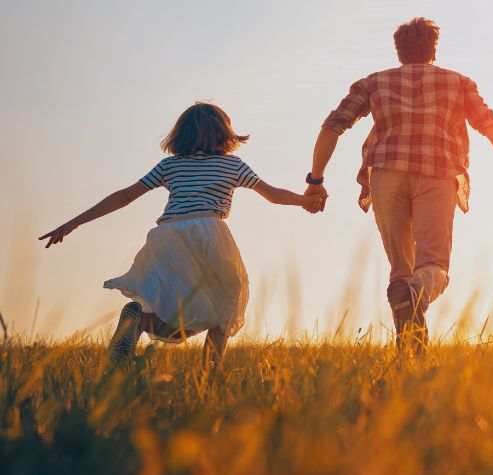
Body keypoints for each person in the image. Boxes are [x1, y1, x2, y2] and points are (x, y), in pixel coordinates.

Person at [304, 17, 493, 353]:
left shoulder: (373, 83)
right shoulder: (458, 83)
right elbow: (491, 126)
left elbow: (332, 127)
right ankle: (413, 312)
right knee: (433, 266)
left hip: (386, 175)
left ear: (399, 51)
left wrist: (316, 180)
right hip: (436, 172)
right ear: (433, 50)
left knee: (402, 268)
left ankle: (410, 353)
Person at [38, 102, 321, 368]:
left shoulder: (170, 166)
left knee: (174, 305)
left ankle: (137, 322)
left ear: (180, 136)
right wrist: (305, 200)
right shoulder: (232, 165)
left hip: (168, 235)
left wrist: (74, 222)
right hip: (209, 232)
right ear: (225, 133)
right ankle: (209, 375)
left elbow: (125, 196)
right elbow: (272, 195)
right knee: (227, 302)